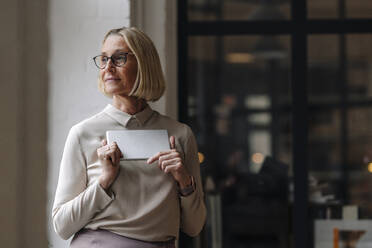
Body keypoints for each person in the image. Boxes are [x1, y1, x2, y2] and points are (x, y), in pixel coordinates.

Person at [52, 27, 206, 248]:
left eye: (119, 58)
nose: (108, 67)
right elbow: (62, 225)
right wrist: (104, 181)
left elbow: (194, 226)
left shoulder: (180, 135)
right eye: (103, 59)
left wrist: (184, 181)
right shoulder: (83, 134)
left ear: (144, 63)